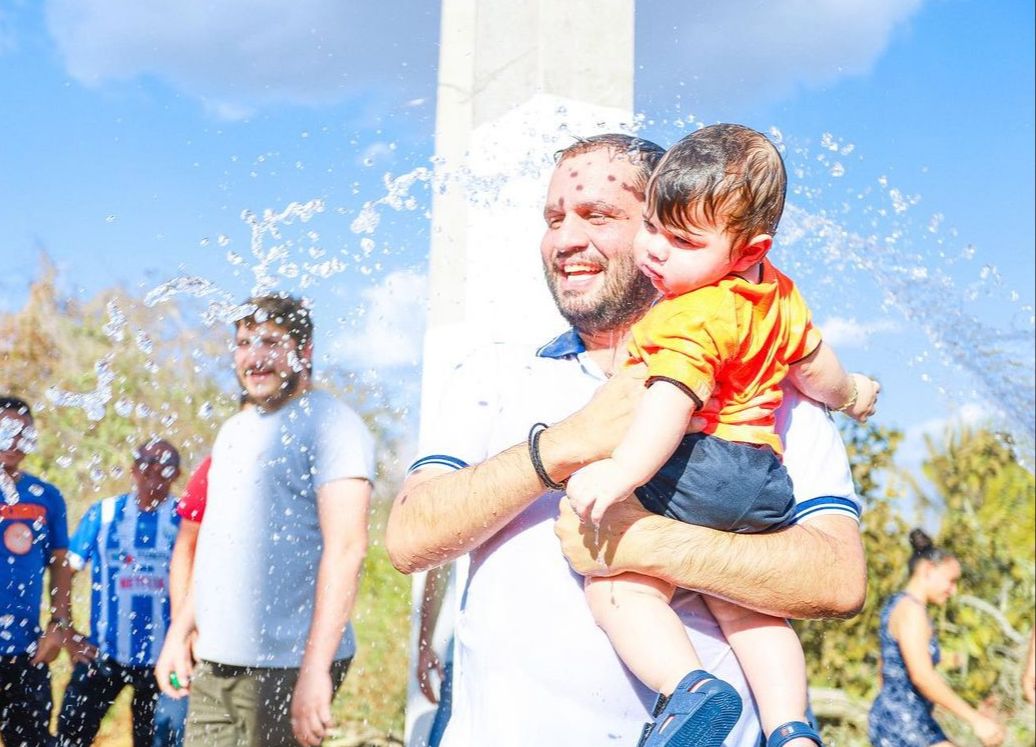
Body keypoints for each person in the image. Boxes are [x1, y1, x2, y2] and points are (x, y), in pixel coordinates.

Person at [386, 134, 868, 747]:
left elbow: (838, 580)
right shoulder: (493, 375)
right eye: (554, 218)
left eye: (599, 215)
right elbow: (409, 538)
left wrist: (647, 544)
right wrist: (564, 444)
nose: (565, 239)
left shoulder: (771, 393)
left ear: (668, 217)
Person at [564, 124, 879, 746]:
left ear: (745, 248)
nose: (655, 250)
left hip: (693, 464)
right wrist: (853, 395)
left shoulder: (689, 312)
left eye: (682, 240)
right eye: (652, 225)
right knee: (753, 611)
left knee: (618, 587)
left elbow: (670, 402)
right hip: (761, 477)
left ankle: (690, 689)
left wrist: (623, 471)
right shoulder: (780, 295)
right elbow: (818, 369)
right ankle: (791, 729)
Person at [155, 294, 376, 747]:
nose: (255, 357)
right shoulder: (233, 431)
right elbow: (216, 547)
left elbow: (347, 550)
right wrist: (178, 633)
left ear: (305, 351)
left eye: (272, 343)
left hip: (288, 665)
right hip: (216, 663)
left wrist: (315, 671)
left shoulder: (332, 424)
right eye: (243, 342)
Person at [56, 439, 183, 747]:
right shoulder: (104, 514)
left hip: (166, 661)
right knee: (69, 736)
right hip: (104, 656)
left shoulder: (184, 519)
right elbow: (64, 570)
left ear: (177, 474)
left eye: (164, 464)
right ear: (132, 469)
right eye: (146, 462)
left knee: (164, 741)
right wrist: (66, 632)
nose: (154, 470)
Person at [868, 529, 1005, 747]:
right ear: (928, 570)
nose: (953, 590)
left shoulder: (895, 604)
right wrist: (976, 720)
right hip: (905, 722)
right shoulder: (913, 611)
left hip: (896, 717)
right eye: (951, 581)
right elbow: (922, 676)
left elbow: (884, 669)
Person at [0, 395, 72, 747]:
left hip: (26, 652)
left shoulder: (47, 497)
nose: (13, 441)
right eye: (5, 431)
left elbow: (61, 566)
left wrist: (58, 626)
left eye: (21, 433)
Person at [415, 564, 453, 747]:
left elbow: (440, 567)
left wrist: (425, 644)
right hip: (466, 659)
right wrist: (425, 644)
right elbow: (440, 567)